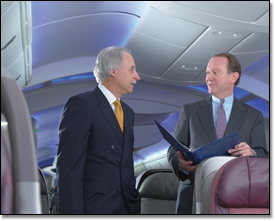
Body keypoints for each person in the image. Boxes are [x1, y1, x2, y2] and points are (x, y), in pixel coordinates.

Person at [167, 52, 267, 214]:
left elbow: (263, 154)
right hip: (193, 192)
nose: (208, 78)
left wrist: (252, 152)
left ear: (233, 77)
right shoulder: (190, 111)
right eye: (207, 72)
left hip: (238, 195)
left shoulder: (253, 115)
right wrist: (179, 163)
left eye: (215, 72)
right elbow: (173, 150)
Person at [56, 46, 141, 214]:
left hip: (126, 207)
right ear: (113, 71)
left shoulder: (128, 112)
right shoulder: (82, 105)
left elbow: (125, 165)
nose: (137, 76)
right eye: (131, 70)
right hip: (95, 207)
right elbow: (69, 168)